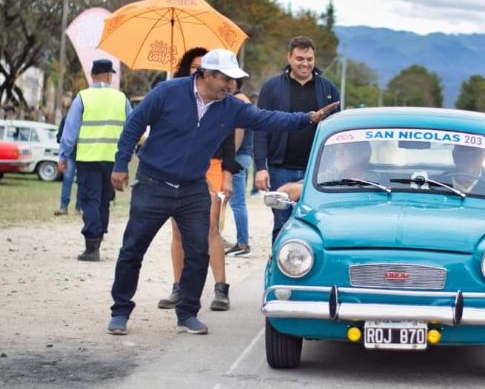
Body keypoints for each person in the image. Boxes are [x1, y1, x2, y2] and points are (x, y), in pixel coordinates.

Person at [107, 48, 337, 336]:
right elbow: (134, 125)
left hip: (193, 188)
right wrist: (120, 164)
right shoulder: (166, 92)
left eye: (233, 80)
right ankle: (120, 311)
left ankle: (188, 313)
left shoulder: (231, 106)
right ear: (206, 75)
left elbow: (269, 119)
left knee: (199, 251)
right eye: (226, 79)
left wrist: (308, 118)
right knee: (132, 249)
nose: (231, 86)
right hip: (153, 183)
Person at [156, 48, 240, 312]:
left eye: (201, 66)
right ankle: (178, 287)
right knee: (178, 229)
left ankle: (220, 288)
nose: (198, 70)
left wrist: (228, 173)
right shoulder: (173, 95)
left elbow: (227, 139)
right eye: (194, 66)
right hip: (180, 168)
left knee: (210, 226)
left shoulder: (221, 100)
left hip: (213, 165)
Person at [253, 36, 341, 243]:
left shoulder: (329, 90)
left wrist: (336, 166)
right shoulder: (272, 88)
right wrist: (260, 167)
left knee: (316, 222)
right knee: (282, 223)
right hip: (280, 167)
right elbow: (260, 128)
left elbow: (337, 132)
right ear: (289, 57)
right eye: (300, 58)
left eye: (309, 59)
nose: (305, 64)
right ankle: (280, 267)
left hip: (317, 170)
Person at [58, 59, 131, 261]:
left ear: (92, 75)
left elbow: (70, 130)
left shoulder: (82, 98)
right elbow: (132, 127)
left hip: (88, 158)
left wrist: (63, 154)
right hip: (113, 160)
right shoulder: (121, 99)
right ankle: (98, 240)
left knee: (90, 200)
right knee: (104, 202)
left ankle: (91, 246)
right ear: (109, 76)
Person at [225, 80, 255, 257]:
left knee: (237, 203)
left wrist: (229, 159)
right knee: (236, 202)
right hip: (243, 155)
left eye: (230, 81)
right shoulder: (242, 99)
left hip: (237, 156)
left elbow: (239, 133)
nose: (227, 84)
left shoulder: (239, 100)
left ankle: (243, 244)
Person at [55, 93, 82, 216]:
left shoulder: (85, 118)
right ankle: (64, 207)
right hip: (70, 153)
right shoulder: (66, 118)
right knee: (68, 180)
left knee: (81, 181)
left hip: (82, 153)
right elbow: (60, 135)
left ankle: (79, 208)